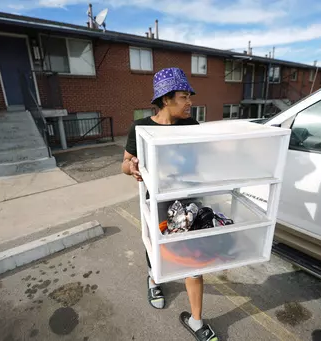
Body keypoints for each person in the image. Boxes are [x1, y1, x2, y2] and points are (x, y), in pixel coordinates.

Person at [122, 67, 219, 341]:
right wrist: (133, 168)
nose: (190, 102)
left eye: (189, 96)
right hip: (157, 203)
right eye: (183, 96)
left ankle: (197, 322)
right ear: (165, 99)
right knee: (157, 249)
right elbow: (124, 163)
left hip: (188, 203)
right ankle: (154, 281)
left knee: (193, 259)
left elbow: (204, 159)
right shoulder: (141, 128)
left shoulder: (191, 125)